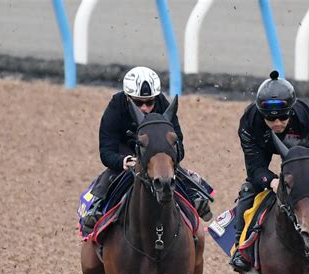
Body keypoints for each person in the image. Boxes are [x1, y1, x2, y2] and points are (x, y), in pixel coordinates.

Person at [229, 70, 309, 272]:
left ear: (291, 110)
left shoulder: (305, 116)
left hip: (303, 155)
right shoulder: (249, 121)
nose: (277, 123)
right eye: (270, 120)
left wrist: (306, 175)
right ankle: (240, 247)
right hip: (263, 151)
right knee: (247, 193)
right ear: (261, 114)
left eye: (282, 117)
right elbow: (255, 167)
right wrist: (271, 182)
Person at [83, 66, 212, 233]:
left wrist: (170, 160)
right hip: (126, 154)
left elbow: (178, 142)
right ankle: (95, 209)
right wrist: (122, 161)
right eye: (138, 102)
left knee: (178, 174)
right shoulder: (116, 105)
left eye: (149, 102)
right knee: (108, 177)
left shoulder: (163, 103)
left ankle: (196, 198)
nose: (144, 108)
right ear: (127, 97)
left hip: (156, 157)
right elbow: (106, 151)